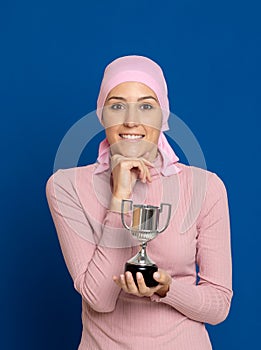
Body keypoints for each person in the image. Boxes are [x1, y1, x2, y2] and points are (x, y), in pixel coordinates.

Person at [46, 55, 233, 349]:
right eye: (117, 105)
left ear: (164, 116)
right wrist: (120, 195)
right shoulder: (65, 186)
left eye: (147, 105)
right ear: (101, 115)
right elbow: (99, 299)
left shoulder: (205, 187)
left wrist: (168, 289)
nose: (131, 119)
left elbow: (219, 306)